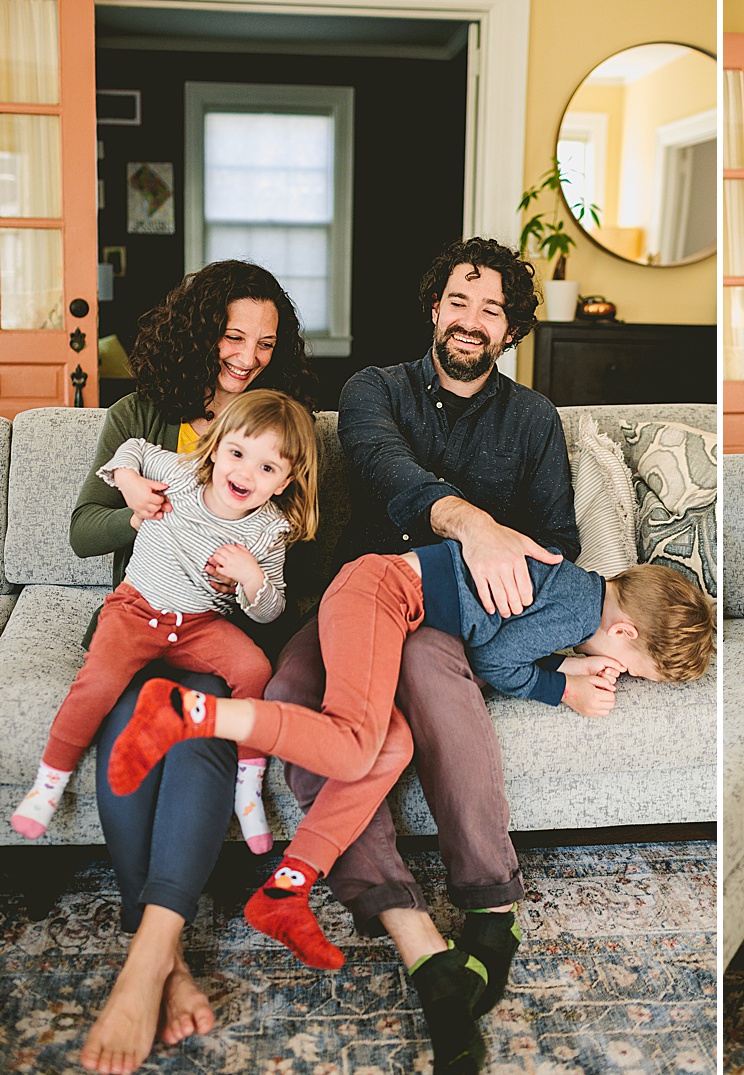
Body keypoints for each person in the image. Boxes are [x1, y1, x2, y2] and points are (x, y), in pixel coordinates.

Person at [262, 236, 578, 1074]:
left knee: (433, 680)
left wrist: (540, 652)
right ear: (435, 308)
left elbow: (555, 544)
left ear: (511, 331)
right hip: (353, 596)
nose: (472, 320)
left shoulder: (534, 419)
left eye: (493, 309)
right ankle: (416, 936)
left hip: (449, 618)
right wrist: (473, 524)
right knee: (294, 695)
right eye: (460, 300)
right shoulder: (373, 390)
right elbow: (387, 471)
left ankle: (490, 903)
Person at [108, 546, 714, 977]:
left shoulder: (577, 585)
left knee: (386, 747)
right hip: (379, 592)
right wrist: (563, 685)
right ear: (626, 632)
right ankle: (187, 714)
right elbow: (498, 660)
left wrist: (570, 662)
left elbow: (496, 633)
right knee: (350, 742)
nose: (624, 677)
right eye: (634, 670)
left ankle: (288, 890)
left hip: (391, 601)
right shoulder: (578, 615)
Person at [69, 260, 318, 1075]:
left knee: (198, 729)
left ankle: (148, 956)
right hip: (138, 621)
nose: (247, 355)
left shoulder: (276, 429)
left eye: (265, 342)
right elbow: (83, 526)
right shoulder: (142, 414)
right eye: (233, 335)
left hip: (213, 633)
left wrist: (247, 571)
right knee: (126, 730)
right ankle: (166, 957)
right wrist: (143, 510)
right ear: (199, 328)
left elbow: (293, 557)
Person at [11, 390, 317, 844]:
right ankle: (48, 783)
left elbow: (271, 611)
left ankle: (248, 789)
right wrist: (127, 479)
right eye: (236, 453)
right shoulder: (180, 474)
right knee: (97, 681)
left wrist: (251, 579)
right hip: (134, 610)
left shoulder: (269, 529)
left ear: (286, 481)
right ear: (214, 448)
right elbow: (131, 447)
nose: (245, 473)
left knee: (255, 670)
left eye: (267, 468)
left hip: (201, 626)